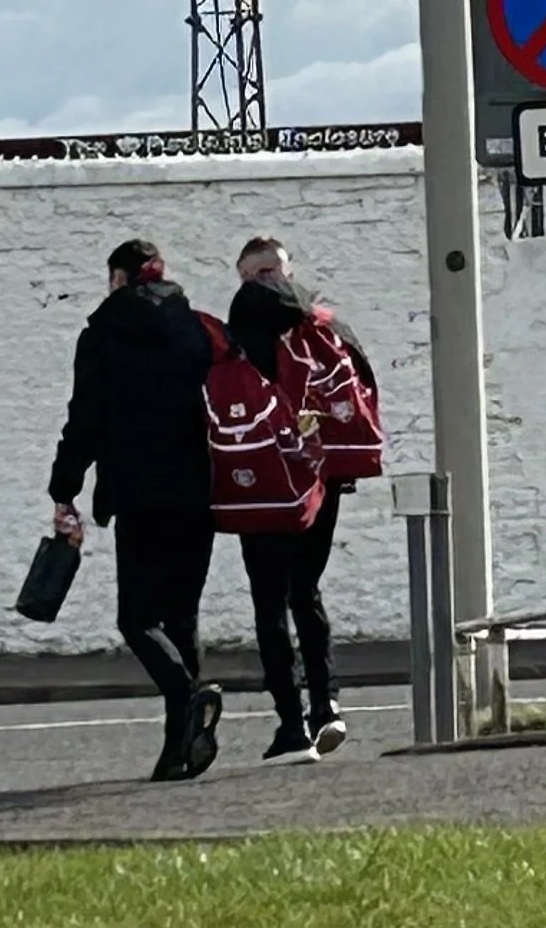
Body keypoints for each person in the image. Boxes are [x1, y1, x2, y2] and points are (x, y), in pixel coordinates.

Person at [48, 239, 223, 783]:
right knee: (182, 614)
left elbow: (86, 419)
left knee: (138, 618)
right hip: (200, 489)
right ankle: (180, 750)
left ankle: (188, 696)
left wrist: (64, 488)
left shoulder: (102, 337)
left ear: (119, 279)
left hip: (140, 493)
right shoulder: (197, 329)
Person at [228, 236, 380, 763]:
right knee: (306, 590)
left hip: (266, 485)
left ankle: (291, 727)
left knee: (270, 602)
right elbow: (364, 388)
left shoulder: (242, 327)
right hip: (322, 478)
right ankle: (327, 705)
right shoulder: (327, 327)